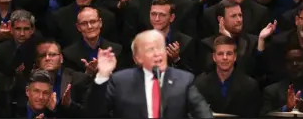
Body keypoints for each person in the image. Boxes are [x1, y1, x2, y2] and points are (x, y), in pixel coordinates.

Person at [85, 29, 213, 118]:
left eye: (161, 47)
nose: (158, 53)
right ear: (138, 57)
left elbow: (202, 113)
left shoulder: (183, 80)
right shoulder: (121, 81)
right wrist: (103, 75)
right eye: (151, 49)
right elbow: (94, 112)